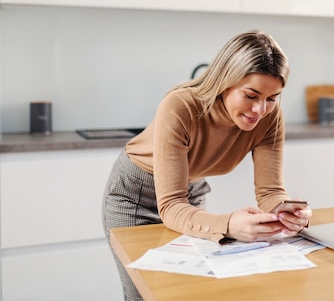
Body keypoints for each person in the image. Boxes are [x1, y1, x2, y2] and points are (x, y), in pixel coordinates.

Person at [102, 29, 312, 301]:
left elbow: (271, 192)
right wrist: (228, 224)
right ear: (225, 83)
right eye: (251, 95)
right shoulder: (180, 106)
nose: (261, 110)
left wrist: (285, 212)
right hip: (135, 195)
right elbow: (170, 206)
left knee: (188, 291)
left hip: (189, 193)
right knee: (144, 294)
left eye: (272, 98)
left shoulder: (269, 119)